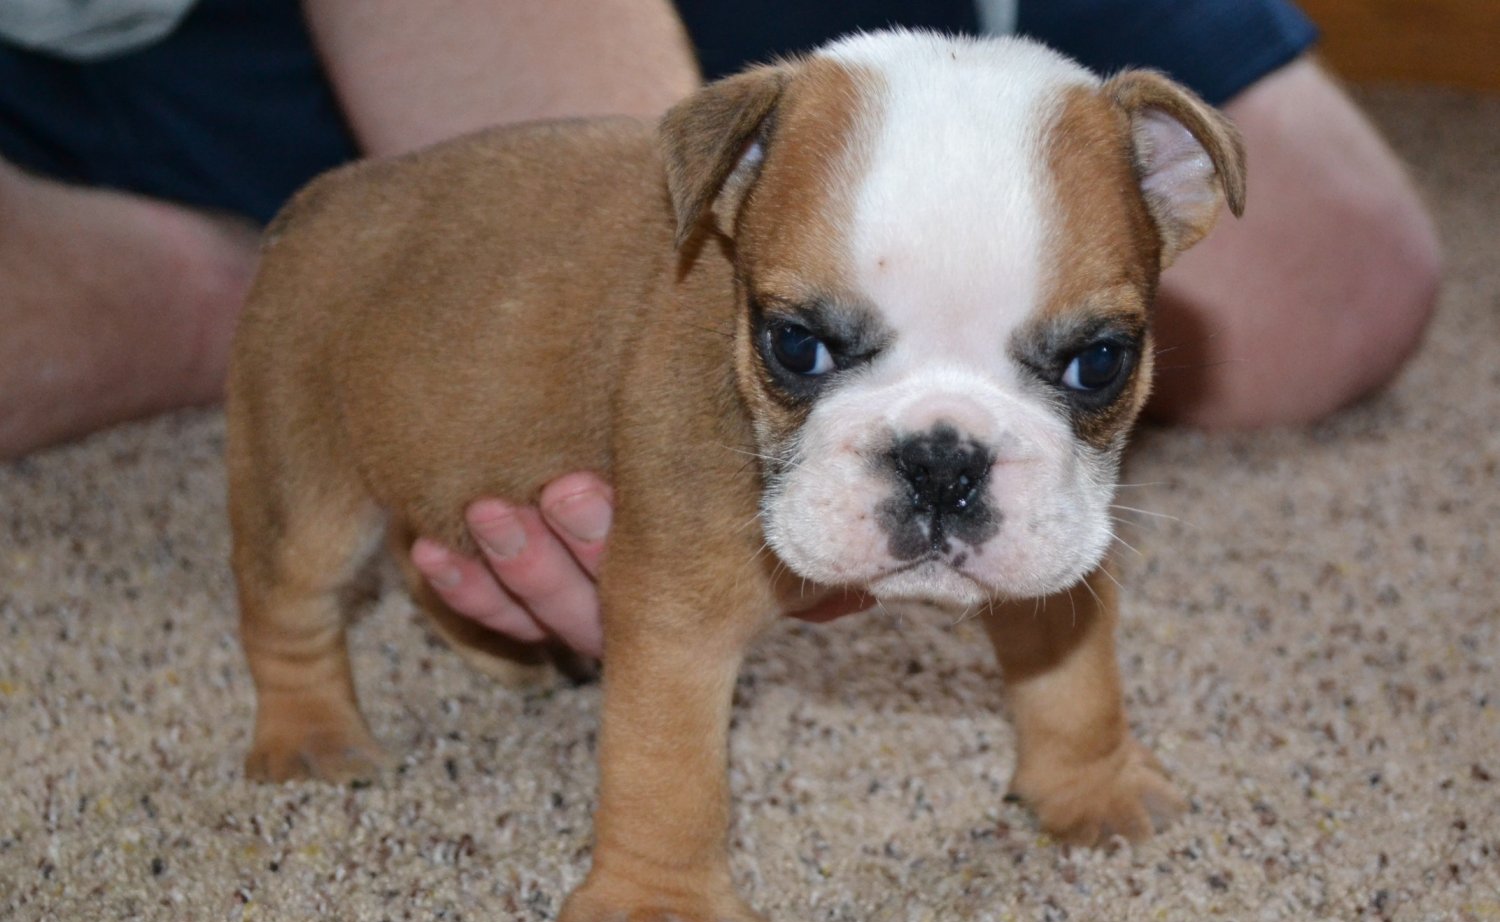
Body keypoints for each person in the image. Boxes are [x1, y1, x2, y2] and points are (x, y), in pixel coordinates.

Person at [0, 0, 1441, 656]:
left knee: (1345, 278)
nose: (944, 448)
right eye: (816, 344)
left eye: (1083, 358)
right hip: (210, 49)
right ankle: (312, 296)